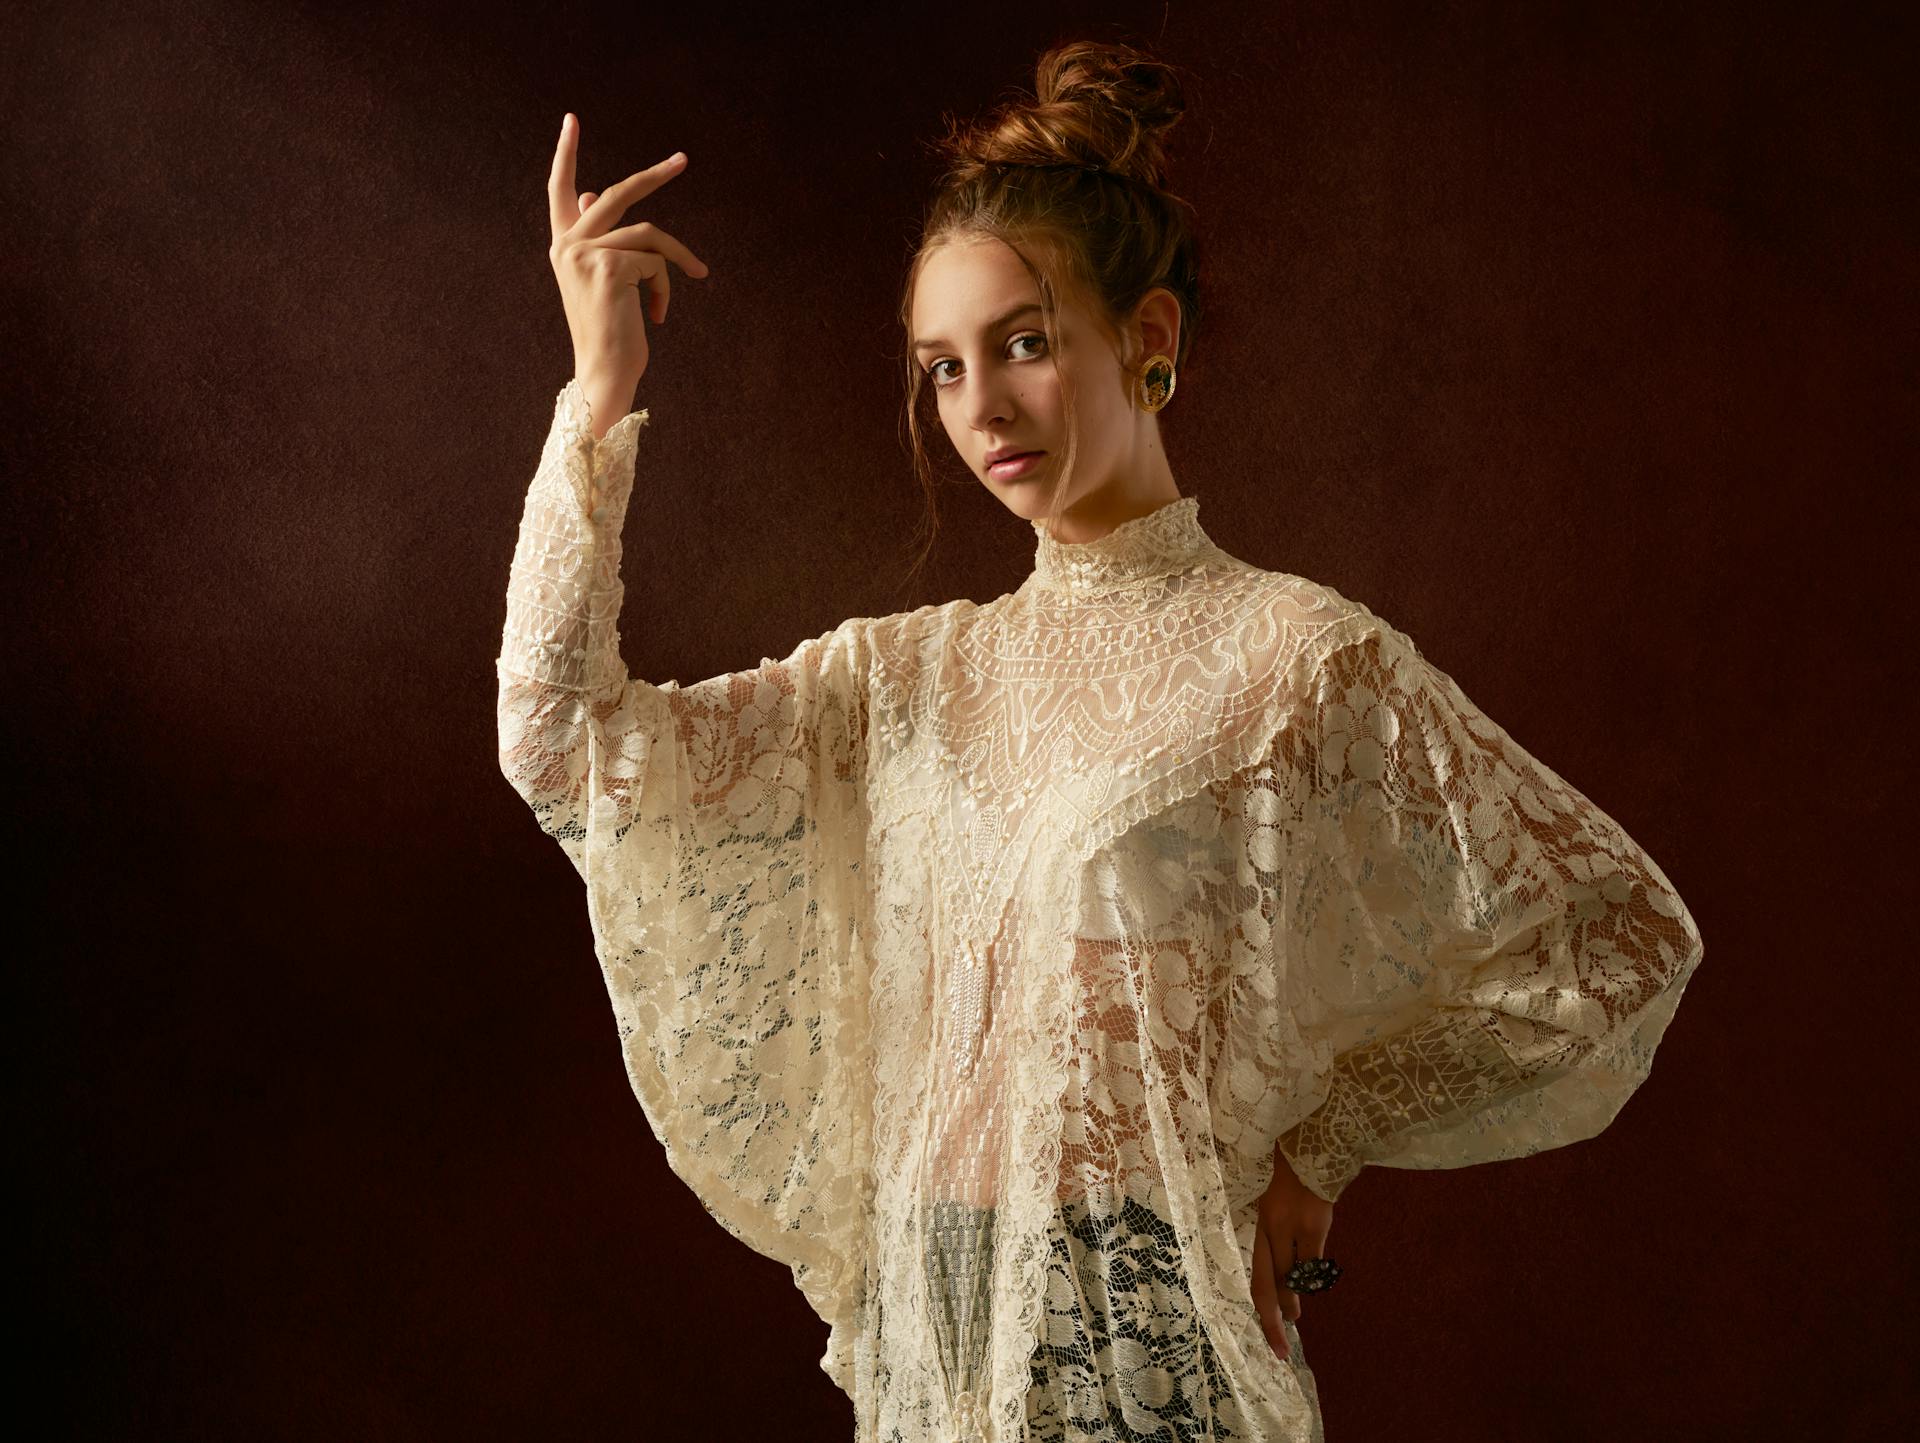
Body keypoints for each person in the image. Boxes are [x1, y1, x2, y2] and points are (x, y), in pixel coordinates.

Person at [496, 40, 1705, 1443]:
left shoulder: (1296, 659)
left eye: (1022, 343)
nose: (982, 409)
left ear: (1151, 341)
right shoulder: (902, 679)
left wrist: (1327, 1139)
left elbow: (1622, 939)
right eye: (942, 368)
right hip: (930, 1328)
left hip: (1148, 1331)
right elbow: (561, 745)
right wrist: (597, 394)